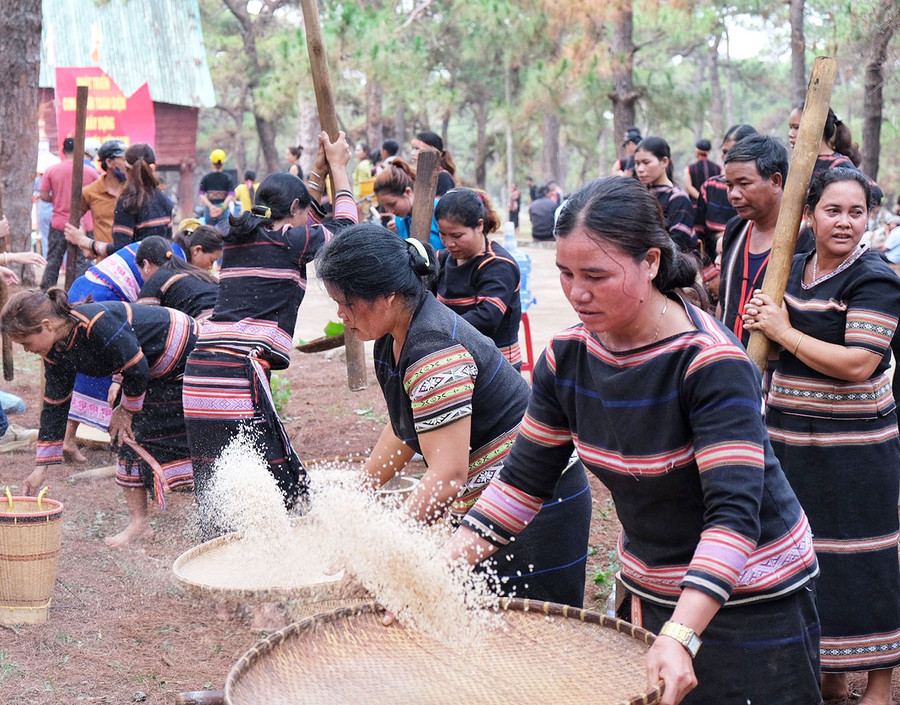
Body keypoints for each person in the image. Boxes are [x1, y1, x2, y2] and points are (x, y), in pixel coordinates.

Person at [443, 176, 821, 705]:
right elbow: (522, 483)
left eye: (596, 275)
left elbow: (735, 516)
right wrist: (439, 565)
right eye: (566, 274)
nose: (577, 292)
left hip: (751, 597)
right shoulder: (566, 358)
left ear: (649, 262)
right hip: (652, 585)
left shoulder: (709, 364)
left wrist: (682, 633)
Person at [316, 224, 592, 606]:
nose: (341, 314)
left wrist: (380, 553)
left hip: (537, 503)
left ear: (388, 297)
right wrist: (358, 493)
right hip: (493, 500)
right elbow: (405, 429)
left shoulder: (433, 351)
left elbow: (447, 477)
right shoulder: (392, 338)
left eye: (346, 302)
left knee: (530, 639)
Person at [743, 168, 900, 705]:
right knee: (807, 554)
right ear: (808, 214)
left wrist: (783, 330)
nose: (846, 222)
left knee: (865, 557)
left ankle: (878, 687)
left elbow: (859, 363)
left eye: (857, 212)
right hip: (789, 438)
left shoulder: (875, 277)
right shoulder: (787, 266)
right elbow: (764, 345)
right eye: (833, 210)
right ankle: (829, 676)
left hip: (857, 451)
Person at [182, 131, 357, 530]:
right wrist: (341, 171)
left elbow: (306, 214)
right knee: (278, 474)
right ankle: (279, 547)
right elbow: (345, 228)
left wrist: (316, 170)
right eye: (303, 211)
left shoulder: (237, 236)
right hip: (235, 373)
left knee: (215, 476)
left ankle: (215, 552)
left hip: (199, 370)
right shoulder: (293, 242)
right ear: (295, 210)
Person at [3, 289, 198, 547]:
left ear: (46, 326)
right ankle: (139, 523)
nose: (26, 350)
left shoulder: (95, 322)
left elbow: (136, 366)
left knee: (178, 433)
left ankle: (205, 504)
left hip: (185, 352)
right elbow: (55, 405)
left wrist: (126, 409)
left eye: (25, 343)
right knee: (126, 437)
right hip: (148, 368)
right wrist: (41, 468)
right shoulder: (55, 350)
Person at [62, 236, 187, 462]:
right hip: (100, 298)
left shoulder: (162, 248)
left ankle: (80, 440)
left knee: (86, 368)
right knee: (98, 372)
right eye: (210, 260)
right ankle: (117, 442)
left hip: (85, 288)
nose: (208, 266)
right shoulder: (173, 259)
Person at [718, 135, 815, 348]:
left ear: (776, 181)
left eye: (744, 184)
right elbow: (724, 302)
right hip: (731, 361)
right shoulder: (736, 229)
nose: (734, 194)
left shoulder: (808, 240)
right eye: (729, 185)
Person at [433, 188, 522, 369]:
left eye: (457, 236)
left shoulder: (498, 265)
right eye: (443, 234)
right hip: (458, 361)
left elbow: (486, 319)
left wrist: (434, 328)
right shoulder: (443, 259)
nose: (449, 243)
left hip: (497, 367)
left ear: (479, 225)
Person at [67, 144, 174, 260]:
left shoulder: (128, 203)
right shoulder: (165, 200)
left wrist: (84, 242)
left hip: (133, 270)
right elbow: (167, 243)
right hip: (159, 271)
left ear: (126, 169)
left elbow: (121, 249)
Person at [39, 137, 99, 290]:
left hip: (59, 223)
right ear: (80, 150)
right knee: (83, 262)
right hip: (83, 225)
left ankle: (47, 293)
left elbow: (44, 195)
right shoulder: (90, 171)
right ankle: (79, 294)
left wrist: (58, 198)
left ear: (63, 150)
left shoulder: (52, 170)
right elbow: (97, 197)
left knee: (54, 260)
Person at [693, 125, 757, 260]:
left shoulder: (759, 191)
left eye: (733, 153)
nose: (727, 158)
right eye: (725, 152)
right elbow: (699, 234)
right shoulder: (709, 187)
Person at [136, 225, 222, 321]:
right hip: (229, 316)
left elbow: (140, 323)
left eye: (139, 272)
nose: (210, 267)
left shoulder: (157, 280)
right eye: (212, 261)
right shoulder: (192, 274)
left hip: (206, 324)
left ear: (146, 265)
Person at [64, 139, 127, 263]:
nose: (128, 164)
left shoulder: (134, 191)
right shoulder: (90, 192)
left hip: (131, 260)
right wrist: (83, 241)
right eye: (124, 160)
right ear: (109, 162)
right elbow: (74, 218)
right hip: (104, 262)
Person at [633, 137, 695, 252]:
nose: (640, 169)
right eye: (637, 163)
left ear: (664, 162)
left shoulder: (677, 198)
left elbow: (679, 243)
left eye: (646, 162)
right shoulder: (638, 196)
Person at [372, 159, 442, 251]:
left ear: (408, 192)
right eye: (385, 207)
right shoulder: (399, 220)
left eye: (392, 204)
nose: (390, 211)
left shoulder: (438, 211)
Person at [199, 149, 235, 232]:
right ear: (223, 162)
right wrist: (221, 208)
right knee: (224, 234)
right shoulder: (228, 178)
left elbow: (201, 194)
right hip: (223, 209)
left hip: (210, 210)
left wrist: (211, 206)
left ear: (212, 162)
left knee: (208, 233)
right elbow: (231, 194)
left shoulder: (206, 178)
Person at [411, 131, 456, 196]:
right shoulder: (417, 176)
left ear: (434, 153)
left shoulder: (443, 178)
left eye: (417, 149)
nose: (412, 153)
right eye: (412, 148)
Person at [682, 139, 721, 207]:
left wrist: (701, 198)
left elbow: (688, 187)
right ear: (708, 152)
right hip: (714, 206)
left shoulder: (689, 169)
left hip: (695, 206)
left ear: (697, 151)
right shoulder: (718, 168)